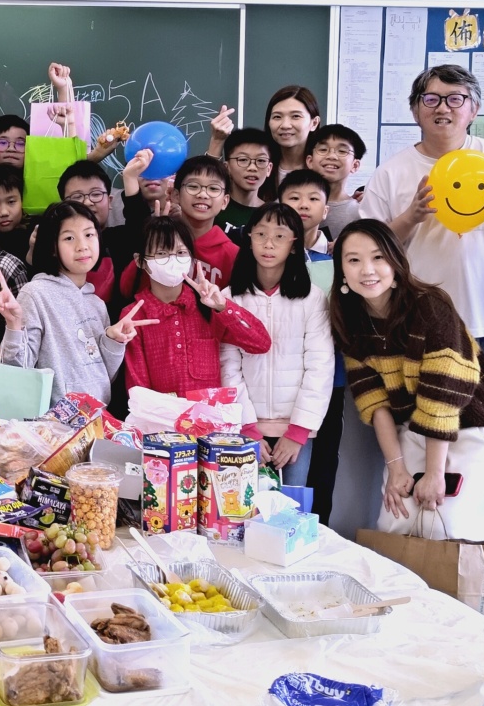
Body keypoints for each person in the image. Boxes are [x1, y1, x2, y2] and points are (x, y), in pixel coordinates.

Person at [331, 220, 484, 546]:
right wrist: (396, 469)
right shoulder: (350, 320)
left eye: (378, 257)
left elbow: (441, 397)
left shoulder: (430, 306)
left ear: (395, 262)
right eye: (354, 260)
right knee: (394, 520)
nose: (367, 270)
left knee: (445, 526)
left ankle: (463, 577)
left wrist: (434, 474)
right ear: (342, 270)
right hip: (416, 427)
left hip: (475, 425)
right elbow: (375, 404)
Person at [359, 65, 484, 344]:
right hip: (416, 323)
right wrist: (411, 216)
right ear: (415, 111)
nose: (442, 108)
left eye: (455, 99)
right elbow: (368, 250)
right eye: (431, 99)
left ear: (474, 110)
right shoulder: (390, 173)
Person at [0, 202, 152, 402]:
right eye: (69, 238)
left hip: (97, 416)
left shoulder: (97, 304)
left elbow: (106, 378)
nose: (82, 246)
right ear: (52, 247)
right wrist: (14, 326)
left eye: (89, 234)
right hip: (53, 419)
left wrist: (113, 341)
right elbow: (18, 370)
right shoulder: (35, 294)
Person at [222, 204, 333, 486]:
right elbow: (227, 367)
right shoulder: (229, 298)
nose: (269, 244)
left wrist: (298, 431)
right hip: (243, 430)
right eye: (261, 234)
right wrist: (247, 427)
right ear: (249, 238)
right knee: (240, 505)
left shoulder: (312, 299)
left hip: (296, 432)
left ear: (294, 245)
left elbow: (320, 367)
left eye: (280, 236)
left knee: (292, 506)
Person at [120, 216, 270, 396]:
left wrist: (224, 307)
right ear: (140, 261)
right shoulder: (134, 315)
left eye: (181, 252)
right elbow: (138, 390)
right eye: (161, 253)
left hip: (209, 413)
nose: (173, 259)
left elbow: (260, 343)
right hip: (160, 414)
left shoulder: (207, 306)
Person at [119, 156, 240, 293]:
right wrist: (154, 239)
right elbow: (127, 288)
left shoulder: (232, 254)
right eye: (193, 186)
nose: (203, 194)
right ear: (175, 195)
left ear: (224, 201)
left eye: (213, 188)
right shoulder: (157, 237)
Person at [58, 152, 152, 304]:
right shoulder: (57, 246)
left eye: (96, 194)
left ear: (110, 202)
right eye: (77, 197)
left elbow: (141, 227)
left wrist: (130, 178)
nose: (87, 202)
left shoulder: (120, 240)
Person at [306, 124, 366, 238]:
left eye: (342, 151)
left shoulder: (361, 213)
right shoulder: (293, 204)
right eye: (323, 149)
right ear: (310, 161)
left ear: (355, 165)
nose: (332, 156)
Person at [215, 127, 275, 239]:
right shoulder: (214, 207)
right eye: (243, 160)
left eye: (261, 161)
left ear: (269, 168)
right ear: (227, 167)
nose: (252, 168)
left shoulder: (274, 214)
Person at [263, 85, 322, 187]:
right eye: (277, 117)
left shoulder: (323, 168)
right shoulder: (259, 165)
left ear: (314, 123)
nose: (285, 125)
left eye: (295, 116)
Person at [277, 169, 335, 259]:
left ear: (325, 211)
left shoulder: (338, 254)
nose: (304, 205)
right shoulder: (268, 252)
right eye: (295, 198)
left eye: (313, 198)